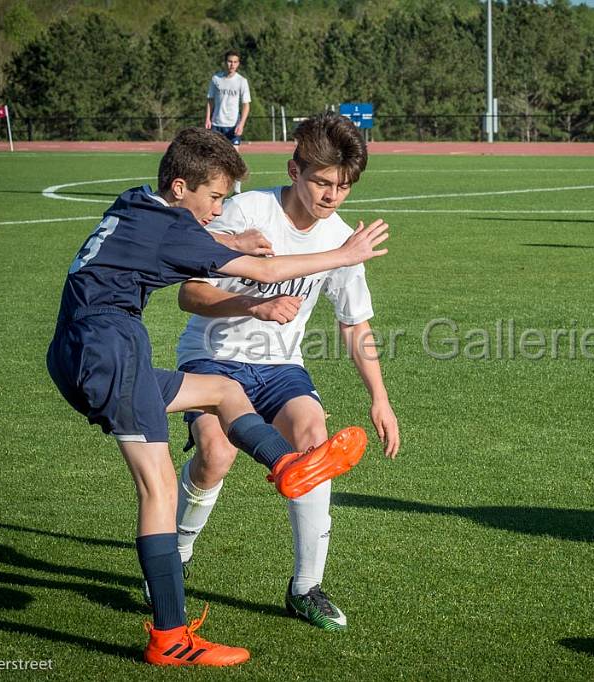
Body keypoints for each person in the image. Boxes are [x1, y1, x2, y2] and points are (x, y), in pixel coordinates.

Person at [45, 127, 388, 666]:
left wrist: (229, 243)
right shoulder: (216, 217)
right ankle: (170, 634)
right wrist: (340, 254)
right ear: (181, 187)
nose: (217, 209)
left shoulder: (136, 203)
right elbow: (252, 274)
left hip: (81, 349)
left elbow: (179, 247)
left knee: (229, 398)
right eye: (214, 200)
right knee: (163, 485)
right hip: (115, 351)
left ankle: (288, 475)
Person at [163, 112, 400, 633]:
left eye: (342, 186)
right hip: (212, 357)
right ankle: (178, 552)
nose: (332, 195)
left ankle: (305, 587)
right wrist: (250, 306)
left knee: (316, 442)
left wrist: (379, 398)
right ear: (294, 170)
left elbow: (354, 322)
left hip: (280, 369)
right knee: (215, 454)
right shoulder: (246, 211)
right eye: (321, 181)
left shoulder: (342, 241)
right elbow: (190, 293)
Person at [206, 50, 251, 193]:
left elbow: (246, 105)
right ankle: (214, 185)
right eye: (230, 61)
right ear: (225, 62)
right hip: (217, 124)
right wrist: (208, 118)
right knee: (214, 157)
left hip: (232, 125)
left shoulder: (241, 81)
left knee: (235, 156)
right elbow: (210, 101)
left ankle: (237, 187)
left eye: (235, 62)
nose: (232, 64)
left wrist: (241, 124)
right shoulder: (216, 79)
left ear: (238, 64)